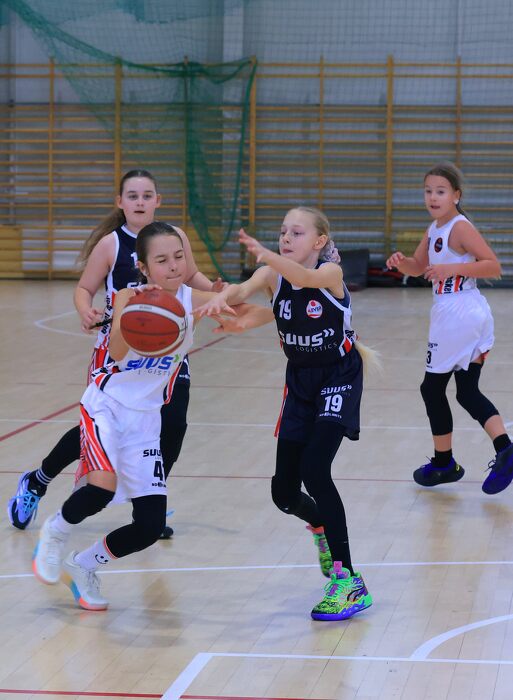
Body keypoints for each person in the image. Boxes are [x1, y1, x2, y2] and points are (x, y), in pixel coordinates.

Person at [31, 221, 263, 611]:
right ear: (143, 267)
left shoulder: (191, 297)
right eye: (162, 260)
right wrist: (134, 312)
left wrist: (254, 316)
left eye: (179, 257)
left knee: (150, 526)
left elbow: (251, 309)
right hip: (106, 406)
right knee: (101, 488)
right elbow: (118, 352)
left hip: (145, 420)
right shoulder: (128, 296)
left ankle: (83, 565)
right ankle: (54, 532)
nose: (173, 266)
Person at [8, 169, 224, 537]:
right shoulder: (111, 244)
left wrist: (218, 292)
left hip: (168, 347)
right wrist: (85, 310)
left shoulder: (174, 237)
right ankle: (37, 480)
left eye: (147, 195)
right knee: (98, 431)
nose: (140, 202)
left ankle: (148, 503)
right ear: (120, 202)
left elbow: (191, 278)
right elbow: (84, 288)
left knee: (173, 426)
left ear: (158, 201)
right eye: (133, 196)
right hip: (118, 352)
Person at [197, 206, 377, 622]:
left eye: (296, 232)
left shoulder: (329, 272)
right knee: (283, 493)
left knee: (316, 469)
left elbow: (305, 280)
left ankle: (348, 580)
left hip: (339, 377)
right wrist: (221, 299)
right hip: (299, 383)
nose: (286, 238)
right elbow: (242, 292)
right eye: (282, 232)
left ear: (319, 241)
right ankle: (320, 527)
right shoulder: (271, 275)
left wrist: (265, 255)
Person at [386, 162, 513, 494]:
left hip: (459, 312)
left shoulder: (459, 227)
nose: (433, 197)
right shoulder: (434, 228)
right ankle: (506, 450)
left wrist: (450, 271)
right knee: (467, 392)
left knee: (432, 389)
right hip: (467, 314)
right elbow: (419, 267)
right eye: (428, 191)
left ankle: (444, 463)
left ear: (456, 195)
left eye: (440, 191)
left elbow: (493, 266)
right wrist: (402, 263)